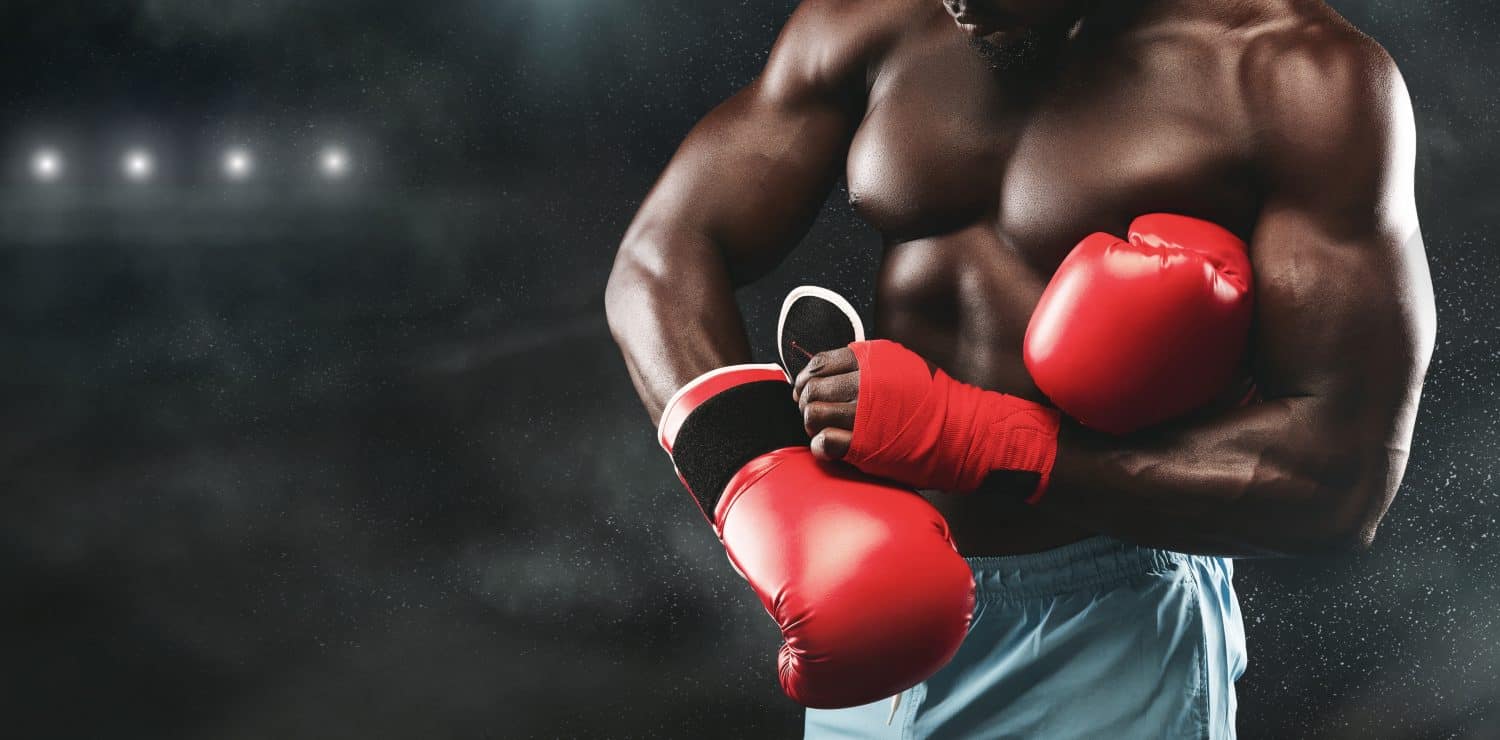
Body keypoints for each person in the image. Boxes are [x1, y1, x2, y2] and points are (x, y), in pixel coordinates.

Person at [604, 0, 1436, 736]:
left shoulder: (1294, 77)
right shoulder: (874, 20)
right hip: (868, 604)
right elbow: (660, 257)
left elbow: (1343, 482)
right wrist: (759, 485)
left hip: (1100, 633)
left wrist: (979, 437)